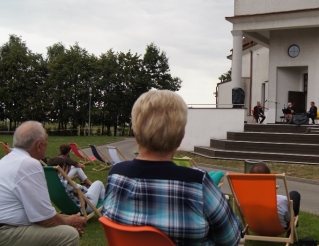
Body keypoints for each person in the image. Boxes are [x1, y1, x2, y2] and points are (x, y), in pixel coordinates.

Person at [102, 90, 242, 245]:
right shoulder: (197, 183)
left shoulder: (116, 175)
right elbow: (231, 238)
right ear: (180, 138)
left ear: (135, 135)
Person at [0, 121, 86, 246]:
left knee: (62, 231)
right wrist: (70, 221)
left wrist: (63, 224)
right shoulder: (29, 164)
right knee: (68, 235)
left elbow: (39, 215)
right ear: (39, 146)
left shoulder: (8, 160)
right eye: (46, 143)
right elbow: (46, 219)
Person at [249, 163, 301, 235]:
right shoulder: (282, 201)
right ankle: (291, 232)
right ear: (269, 179)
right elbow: (289, 218)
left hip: (256, 227)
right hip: (278, 229)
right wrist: (294, 219)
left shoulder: (243, 200)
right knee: (294, 194)